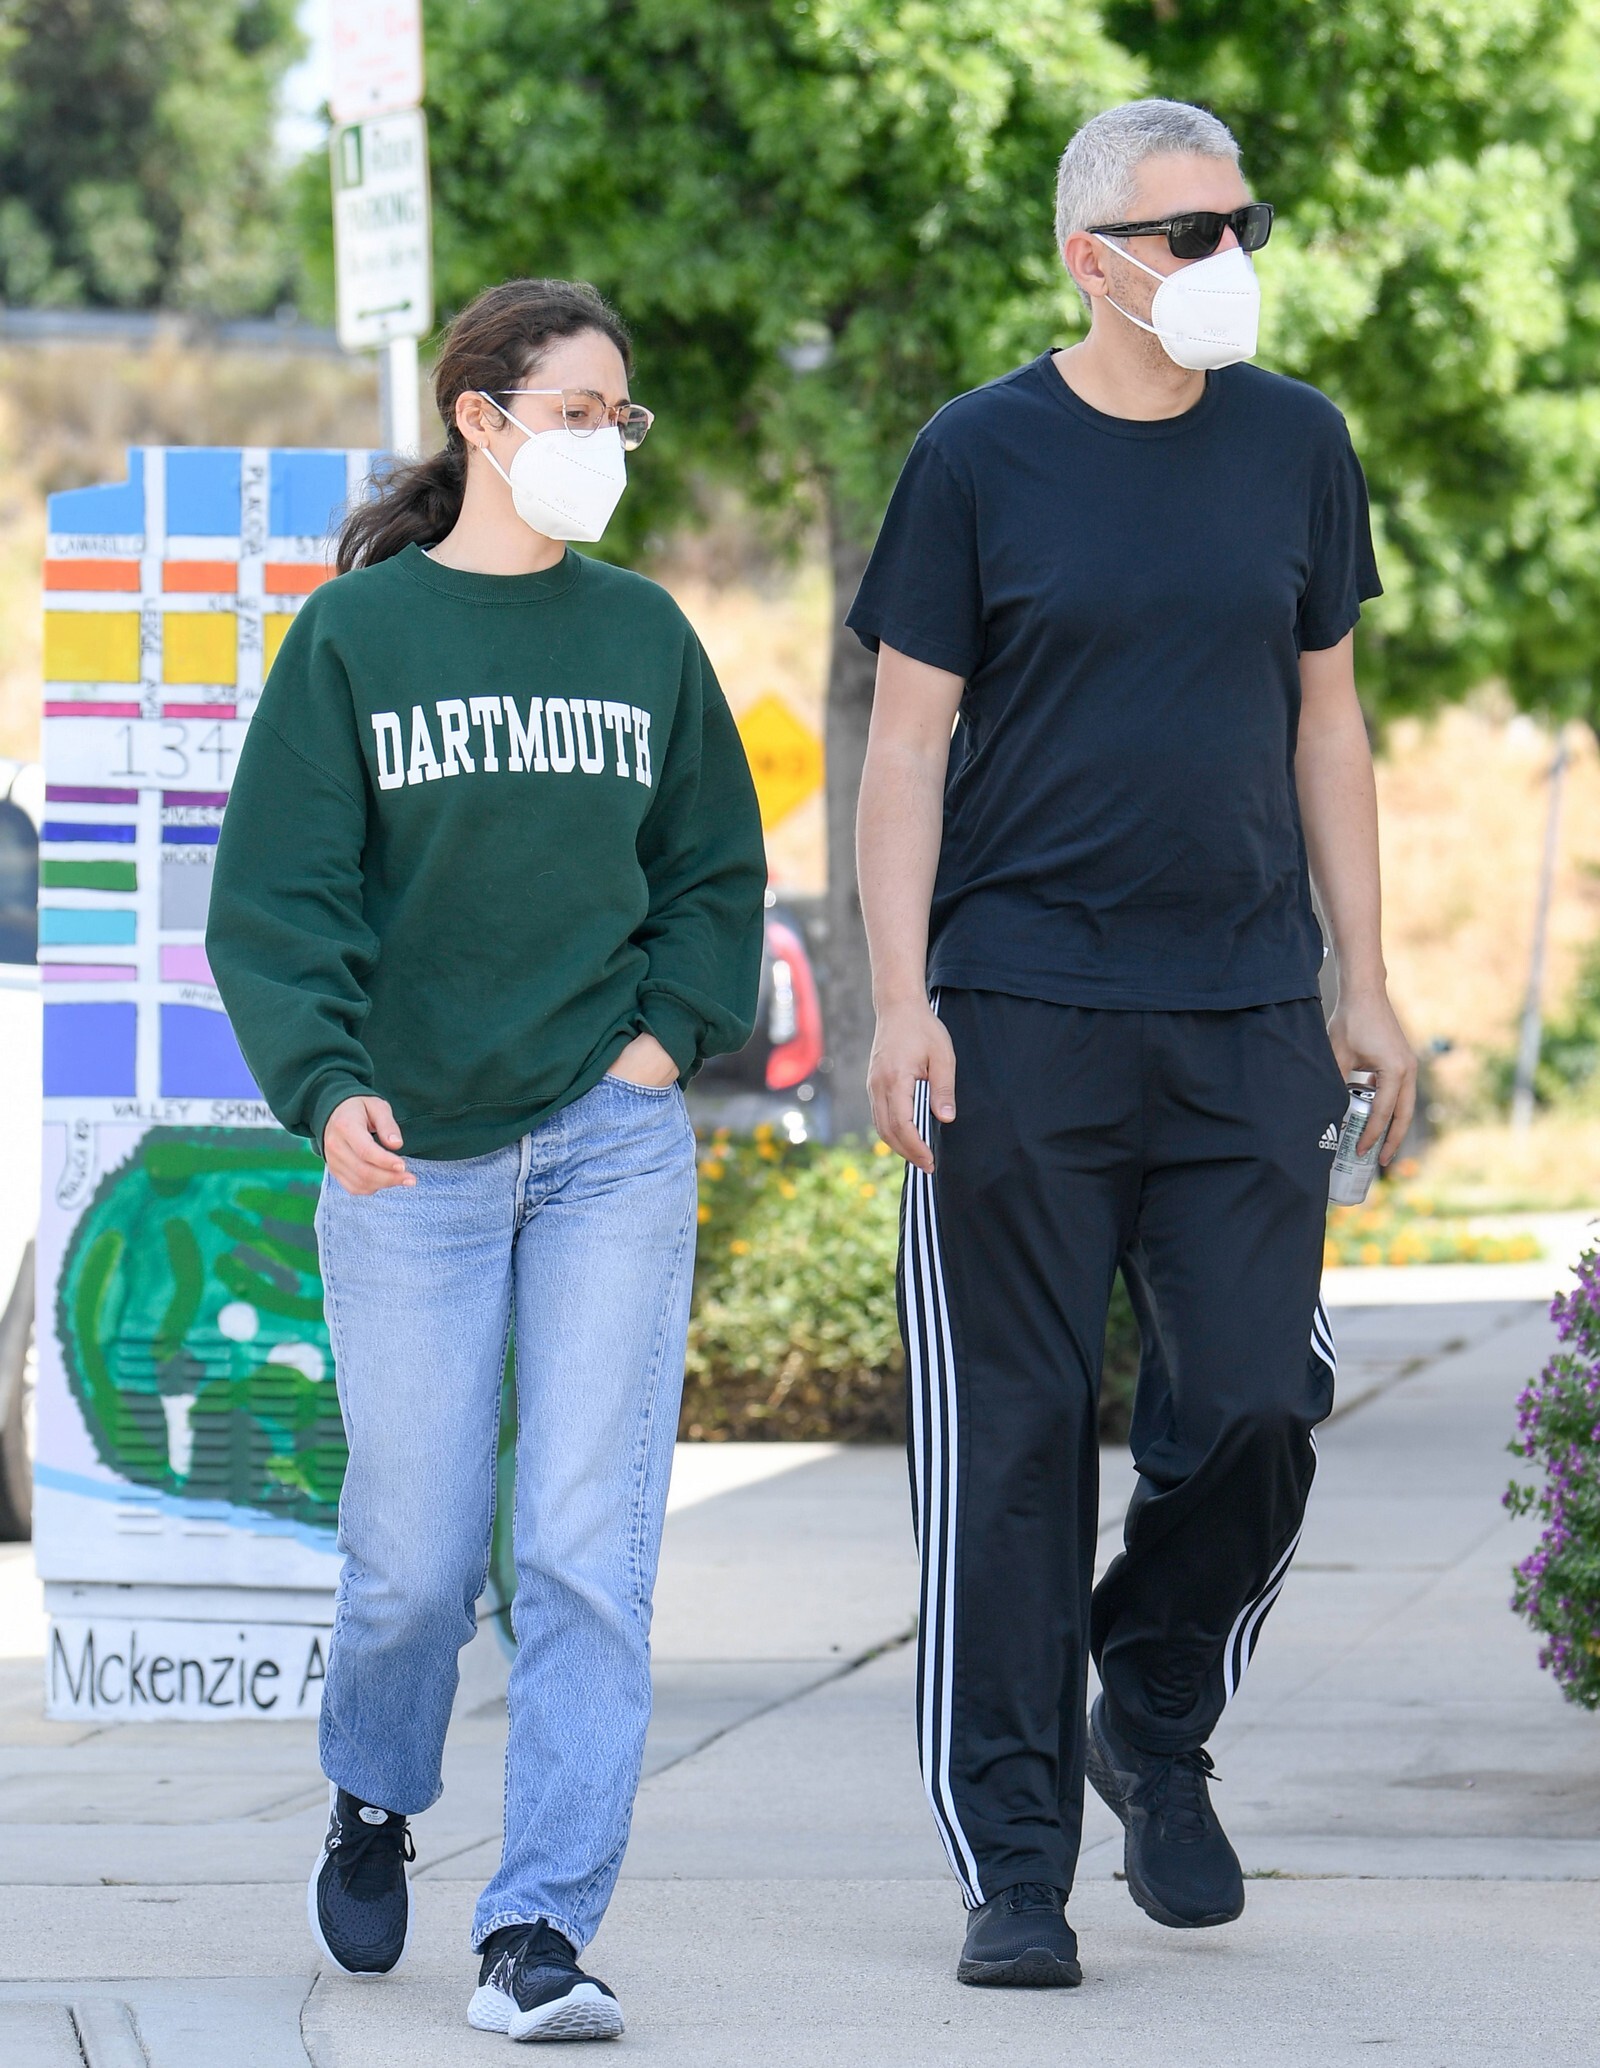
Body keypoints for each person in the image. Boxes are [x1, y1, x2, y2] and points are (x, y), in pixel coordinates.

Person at [849, 99, 1416, 1989]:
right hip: (1019, 1015)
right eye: (1190, 233)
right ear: (1091, 259)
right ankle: (1016, 1866)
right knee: (1014, 1452)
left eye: (1244, 223)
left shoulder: (1298, 443)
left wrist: (1366, 975)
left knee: (1257, 1404)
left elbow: (1328, 722)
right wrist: (901, 997)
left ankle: (1153, 1712)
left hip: (1248, 1010)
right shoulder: (976, 454)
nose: (1227, 258)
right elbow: (907, 742)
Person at [207, 278, 766, 2042]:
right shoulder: (357, 643)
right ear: (482, 417)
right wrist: (324, 1083)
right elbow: (276, 898)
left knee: (588, 1550)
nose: (610, 441)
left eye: (623, 416)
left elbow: (714, 869)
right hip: (411, 1162)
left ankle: (538, 1929)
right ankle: (376, 1791)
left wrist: (663, 1041)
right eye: (580, 410)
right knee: (417, 1557)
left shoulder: (643, 635)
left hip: (608, 1144)